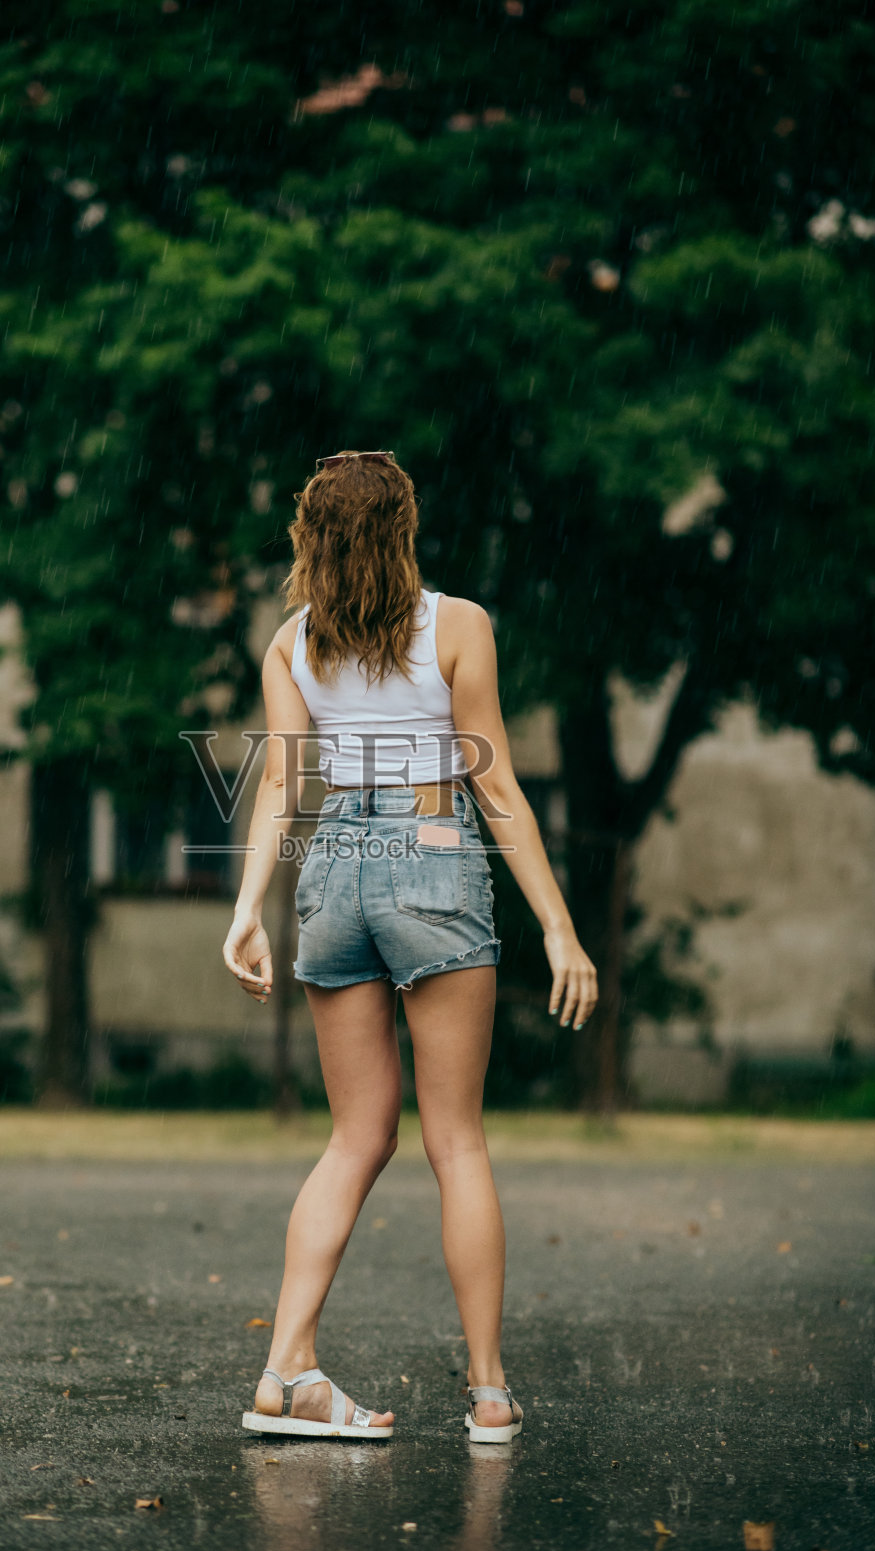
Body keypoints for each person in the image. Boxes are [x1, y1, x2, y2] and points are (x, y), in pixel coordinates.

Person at [223, 450, 597, 1443]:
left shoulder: (289, 642)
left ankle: (285, 1371)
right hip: (431, 851)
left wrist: (247, 908)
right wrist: (559, 925)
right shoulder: (458, 625)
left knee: (354, 1137)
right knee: (455, 1139)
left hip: (334, 865)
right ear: (404, 530)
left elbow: (279, 785)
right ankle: (488, 1393)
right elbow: (494, 784)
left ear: (310, 537)